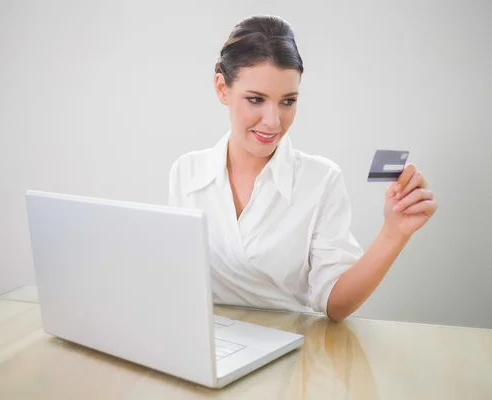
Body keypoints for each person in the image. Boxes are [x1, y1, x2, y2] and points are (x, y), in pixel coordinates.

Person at [168, 15, 438, 322]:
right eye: (256, 99)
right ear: (222, 89)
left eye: (288, 101)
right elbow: (183, 283)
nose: (273, 121)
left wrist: (394, 232)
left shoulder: (320, 181)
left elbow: (335, 305)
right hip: (210, 348)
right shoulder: (186, 173)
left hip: (291, 349)